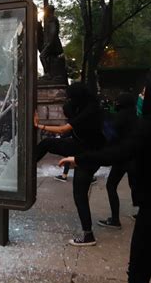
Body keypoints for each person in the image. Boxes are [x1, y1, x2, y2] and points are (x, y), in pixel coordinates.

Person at [59, 76, 151, 283]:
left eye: (146, 93)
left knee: (139, 271)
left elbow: (121, 151)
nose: (142, 97)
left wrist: (80, 159)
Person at [34, 83, 106, 246]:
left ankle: (88, 235)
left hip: (90, 154)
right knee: (46, 143)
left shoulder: (90, 110)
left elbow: (63, 130)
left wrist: (38, 125)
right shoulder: (83, 107)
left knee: (80, 194)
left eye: (70, 98)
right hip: (80, 146)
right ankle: (27, 168)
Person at [97, 93, 139, 229]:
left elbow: (110, 133)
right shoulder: (135, 115)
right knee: (135, 185)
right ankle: (141, 212)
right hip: (134, 156)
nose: (115, 103)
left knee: (111, 185)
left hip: (122, 157)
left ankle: (115, 219)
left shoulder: (121, 116)